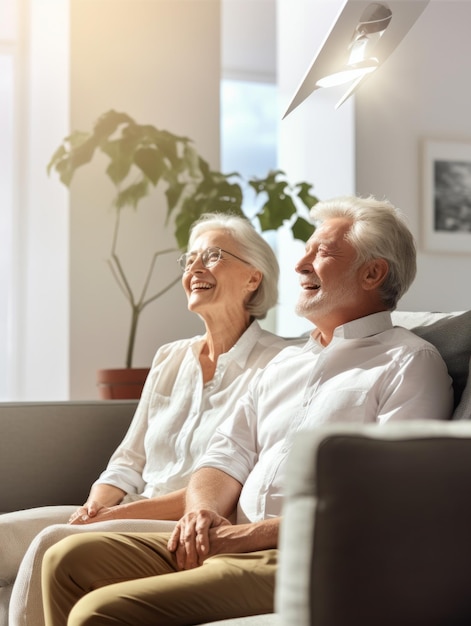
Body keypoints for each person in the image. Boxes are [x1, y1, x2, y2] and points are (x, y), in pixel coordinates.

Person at [41, 195, 454, 626]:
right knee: (66, 558)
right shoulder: (286, 362)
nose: (301, 264)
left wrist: (240, 537)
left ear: (373, 272)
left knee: (99, 612)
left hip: (306, 556)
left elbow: (383, 503)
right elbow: (224, 456)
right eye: (307, 250)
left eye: (322, 252)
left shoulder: (409, 362)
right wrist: (203, 513)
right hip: (229, 539)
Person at [5, 213, 301, 626]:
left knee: (54, 541)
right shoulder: (170, 356)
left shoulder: (279, 363)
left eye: (213, 256)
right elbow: (129, 459)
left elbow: (236, 480)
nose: (195, 268)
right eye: (191, 259)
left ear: (253, 278)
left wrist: (116, 517)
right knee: (3, 535)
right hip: (127, 507)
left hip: (186, 522)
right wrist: (96, 506)